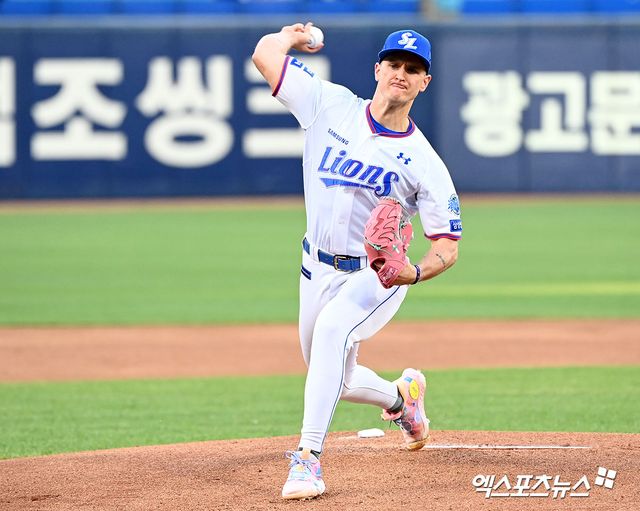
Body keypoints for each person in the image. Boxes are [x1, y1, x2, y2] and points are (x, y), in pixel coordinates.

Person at [252, 23, 462, 500]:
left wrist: (414, 272)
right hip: (315, 267)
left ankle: (307, 459)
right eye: (394, 64)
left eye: (413, 69)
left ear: (424, 82)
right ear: (377, 69)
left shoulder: (425, 163)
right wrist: (289, 36)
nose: (402, 73)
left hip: (375, 277)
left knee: (333, 332)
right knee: (334, 376)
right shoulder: (329, 105)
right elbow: (265, 55)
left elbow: (447, 246)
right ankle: (402, 400)